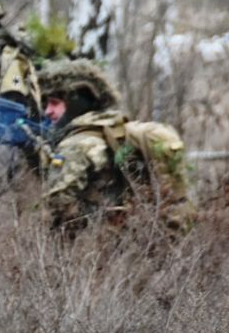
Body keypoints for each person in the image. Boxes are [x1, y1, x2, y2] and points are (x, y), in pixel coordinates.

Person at [36, 59, 195, 232]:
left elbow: (57, 205)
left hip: (104, 244)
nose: (48, 111)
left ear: (75, 101)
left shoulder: (76, 145)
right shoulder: (112, 129)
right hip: (140, 232)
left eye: (54, 103)